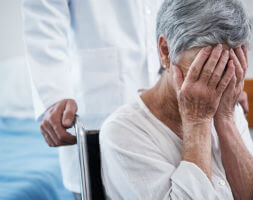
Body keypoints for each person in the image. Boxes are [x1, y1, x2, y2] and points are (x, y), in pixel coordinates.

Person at [100, 0, 253, 199]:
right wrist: (197, 120)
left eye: (228, 68)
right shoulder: (123, 133)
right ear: (165, 51)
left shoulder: (229, 107)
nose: (218, 86)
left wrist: (225, 119)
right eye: (205, 70)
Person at [22, 0, 164, 198]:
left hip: (166, 102)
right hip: (98, 106)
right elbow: (43, 17)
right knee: (99, 185)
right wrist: (54, 94)